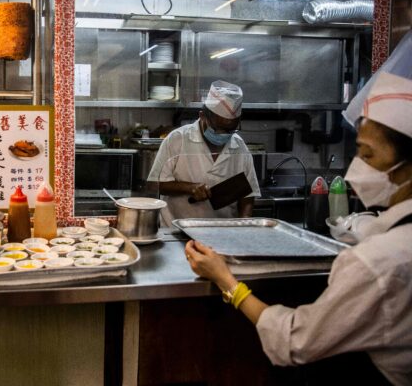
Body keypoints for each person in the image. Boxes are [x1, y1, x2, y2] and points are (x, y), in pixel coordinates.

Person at [184, 39, 412, 385]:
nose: (356, 171)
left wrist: (226, 280)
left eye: (367, 155)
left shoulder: (377, 263)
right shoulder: (387, 239)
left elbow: (293, 341)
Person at [147, 80, 260, 226]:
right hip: (177, 231)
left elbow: (247, 195)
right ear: (202, 116)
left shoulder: (239, 147)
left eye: (230, 130)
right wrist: (189, 187)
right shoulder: (177, 139)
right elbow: (154, 184)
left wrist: (244, 224)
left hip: (223, 232)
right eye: (218, 129)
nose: (223, 135)